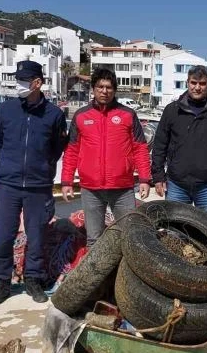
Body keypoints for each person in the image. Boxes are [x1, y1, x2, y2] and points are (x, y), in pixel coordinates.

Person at [0, 60, 68, 306]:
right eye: (18, 79)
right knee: (2, 235)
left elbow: (56, 149)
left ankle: (33, 279)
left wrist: (40, 168)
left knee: (37, 236)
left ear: (37, 83)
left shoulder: (54, 115)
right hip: (8, 184)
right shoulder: (5, 110)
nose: (19, 84)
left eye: (24, 80)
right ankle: (3, 282)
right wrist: (12, 166)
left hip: (38, 186)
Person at [61, 68, 151, 247]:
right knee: (94, 239)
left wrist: (144, 179)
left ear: (115, 90)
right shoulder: (81, 116)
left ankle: (125, 275)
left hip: (122, 187)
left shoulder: (127, 115)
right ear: (93, 89)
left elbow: (140, 148)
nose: (104, 91)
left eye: (109, 87)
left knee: (129, 237)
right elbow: (71, 151)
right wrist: (66, 182)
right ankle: (97, 275)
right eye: (100, 87)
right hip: (90, 188)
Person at [151, 65, 207, 218]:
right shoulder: (172, 110)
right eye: (193, 83)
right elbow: (159, 146)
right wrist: (158, 177)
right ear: (188, 83)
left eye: (202, 84)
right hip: (176, 185)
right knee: (175, 233)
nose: (197, 87)